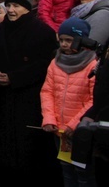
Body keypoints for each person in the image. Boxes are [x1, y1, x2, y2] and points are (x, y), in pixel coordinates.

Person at [0, 0, 59, 185]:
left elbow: (44, 65)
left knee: (27, 148)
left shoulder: (42, 33)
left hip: (28, 99)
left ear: (27, 8)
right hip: (2, 97)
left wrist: (15, 77)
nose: (11, 10)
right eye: (9, 5)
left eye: (16, 6)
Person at [41, 17, 98, 187]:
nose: (64, 44)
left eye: (69, 40)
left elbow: (94, 99)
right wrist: (49, 118)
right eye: (62, 40)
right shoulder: (55, 62)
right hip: (60, 131)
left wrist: (74, 125)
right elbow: (47, 92)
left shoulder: (93, 65)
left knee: (84, 174)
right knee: (66, 172)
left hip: (80, 132)